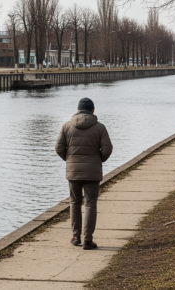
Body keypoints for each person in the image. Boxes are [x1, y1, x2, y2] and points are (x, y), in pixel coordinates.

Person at [55, 97, 112, 250]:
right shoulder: (100, 128)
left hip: (73, 171)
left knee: (75, 202)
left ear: (78, 110)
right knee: (90, 204)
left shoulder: (67, 126)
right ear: (93, 110)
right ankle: (88, 240)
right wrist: (98, 160)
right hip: (92, 171)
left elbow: (59, 148)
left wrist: (69, 160)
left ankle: (75, 236)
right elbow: (107, 149)